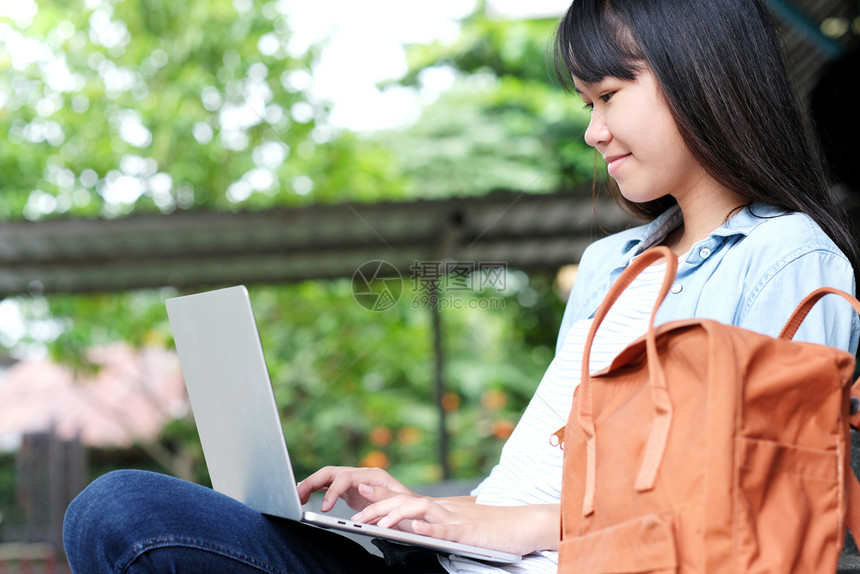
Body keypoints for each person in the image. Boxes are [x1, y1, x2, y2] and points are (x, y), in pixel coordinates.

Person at [62, 0, 860, 572]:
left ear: (702, 76)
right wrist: (425, 513)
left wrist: (502, 529)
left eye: (609, 97)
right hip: (471, 560)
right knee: (117, 507)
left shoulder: (786, 260)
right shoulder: (611, 267)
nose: (592, 131)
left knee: (128, 516)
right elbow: (551, 485)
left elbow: (746, 515)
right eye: (586, 104)